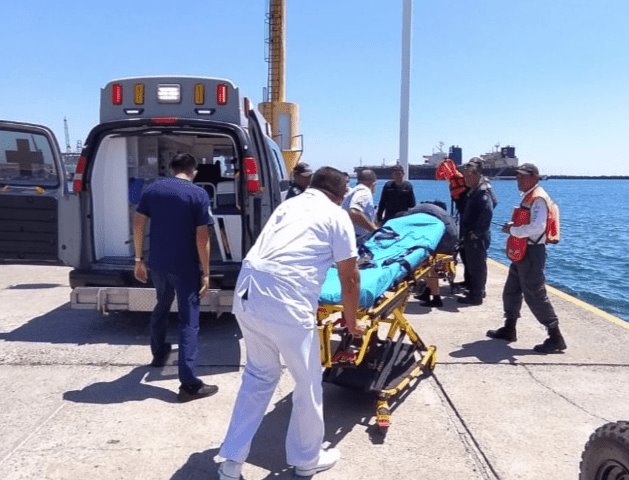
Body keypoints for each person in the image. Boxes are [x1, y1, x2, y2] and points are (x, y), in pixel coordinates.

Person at [217, 167, 365, 480]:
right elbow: (350, 278)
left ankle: (231, 463)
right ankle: (307, 460)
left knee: (258, 377)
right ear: (340, 194)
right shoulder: (336, 215)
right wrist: (352, 323)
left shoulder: (289, 204)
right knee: (308, 382)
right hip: (285, 299)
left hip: (248, 292)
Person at [132, 153, 218, 402]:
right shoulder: (197, 194)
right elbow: (202, 238)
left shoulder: (153, 189)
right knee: (188, 321)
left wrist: (138, 260)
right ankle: (189, 384)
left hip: (158, 263)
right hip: (185, 266)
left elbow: (138, 224)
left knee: (161, 305)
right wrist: (206, 272)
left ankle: (159, 353)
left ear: (171, 168)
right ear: (194, 171)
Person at [487, 163, 567, 353]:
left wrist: (513, 230)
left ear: (534, 178)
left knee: (535, 294)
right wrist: (513, 225)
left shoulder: (538, 199)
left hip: (531, 252)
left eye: (523, 177)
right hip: (522, 251)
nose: (519, 180)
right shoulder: (530, 197)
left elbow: (537, 228)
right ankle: (509, 328)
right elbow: (529, 223)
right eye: (517, 177)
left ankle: (555, 336)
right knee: (512, 289)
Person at [403, 200, 458, 307]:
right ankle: (427, 292)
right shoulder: (423, 210)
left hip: (445, 237)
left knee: (430, 265)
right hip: (451, 234)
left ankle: (436, 298)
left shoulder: (414, 215)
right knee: (428, 264)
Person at [457, 161, 494, 305]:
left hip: (476, 236)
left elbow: (488, 212)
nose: (466, 179)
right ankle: (475, 290)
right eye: (464, 176)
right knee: (471, 264)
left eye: (469, 175)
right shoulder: (474, 190)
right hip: (470, 233)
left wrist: (476, 233)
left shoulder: (482, 191)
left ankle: (476, 295)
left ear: (478, 174)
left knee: (477, 265)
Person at [342, 168, 378, 246]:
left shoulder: (354, 190)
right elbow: (354, 212)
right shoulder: (364, 191)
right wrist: (374, 230)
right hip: (356, 238)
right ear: (374, 183)